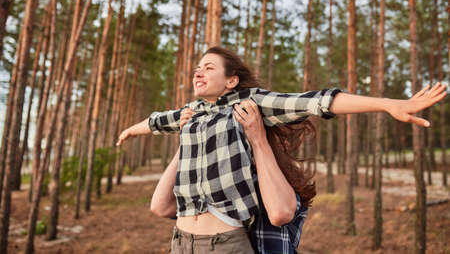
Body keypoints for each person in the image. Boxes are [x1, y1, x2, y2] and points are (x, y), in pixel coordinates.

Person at [117, 46, 447, 253]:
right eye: (196, 69)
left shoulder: (249, 103)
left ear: (231, 81)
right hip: (180, 241)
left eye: (208, 67)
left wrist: (388, 104)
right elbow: (157, 121)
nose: (198, 72)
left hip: (225, 244)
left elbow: (317, 101)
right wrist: (129, 131)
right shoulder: (191, 113)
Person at [151, 100, 309, 254]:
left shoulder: (281, 185)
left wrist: (259, 140)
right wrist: (189, 141)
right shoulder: (226, 176)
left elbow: (279, 213)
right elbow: (161, 206)